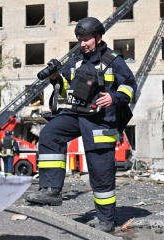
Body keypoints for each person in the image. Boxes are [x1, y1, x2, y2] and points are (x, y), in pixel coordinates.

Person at [25, 17, 136, 232]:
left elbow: (130, 85)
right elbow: (67, 88)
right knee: (50, 134)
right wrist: (56, 78)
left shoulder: (113, 60)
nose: (83, 43)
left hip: (101, 120)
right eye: (80, 39)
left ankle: (106, 220)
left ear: (98, 37)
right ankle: (50, 189)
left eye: (86, 39)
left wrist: (114, 97)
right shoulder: (76, 60)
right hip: (77, 114)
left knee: (100, 172)